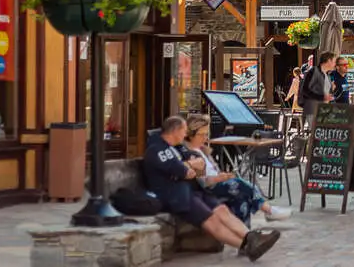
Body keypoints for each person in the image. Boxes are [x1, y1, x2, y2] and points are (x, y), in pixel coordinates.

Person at [142, 116, 280, 261]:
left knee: (222, 210)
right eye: (184, 131)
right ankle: (246, 246)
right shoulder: (158, 149)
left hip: (191, 190)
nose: (185, 135)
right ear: (175, 131)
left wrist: (189, 165)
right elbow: (185, 172)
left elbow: (198, 164)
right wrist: (189, 166)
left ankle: (251, 237)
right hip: (175, 197)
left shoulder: (176, 147)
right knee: (211, 220)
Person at [183, 114, 291, 225]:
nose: (205, 138)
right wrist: (217, 178)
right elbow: (200, 181)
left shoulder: (202, 149)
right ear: (191, 134)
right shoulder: (188, 152)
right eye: (202, 134)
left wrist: (222, 175)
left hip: (216, 182)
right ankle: (268, 210)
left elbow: (214, 170)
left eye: (206, 134)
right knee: (239, 184)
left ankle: (246, 235)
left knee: (242, 197)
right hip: (207, 188)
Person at [299, 52, 336, 128]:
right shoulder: (313, 71)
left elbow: (324, 93)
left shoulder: (327, 75)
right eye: (334, 61)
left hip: (323, 111)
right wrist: (322, 97)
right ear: (328, 60)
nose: (335, 64)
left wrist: (331, 90)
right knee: (316, 136)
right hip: (313, 110)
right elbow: (305, 90)